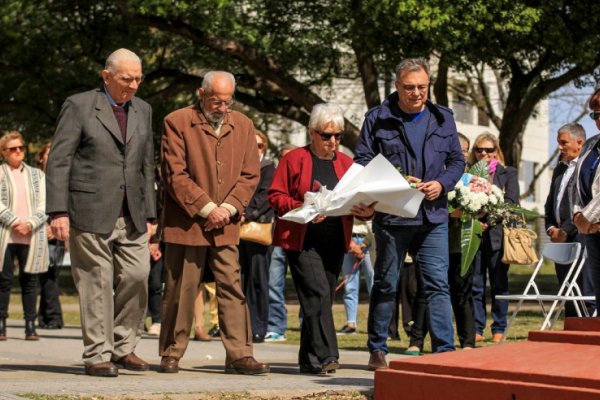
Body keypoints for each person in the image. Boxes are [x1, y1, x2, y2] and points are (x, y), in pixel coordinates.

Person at [46, 48, 155, 377]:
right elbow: (59, 160)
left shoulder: (144, 110)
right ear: (106, 76)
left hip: (133, 213)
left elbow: (146, 165)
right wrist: (57, 211)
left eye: (138, 78)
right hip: (90, 210)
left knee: (138, 277)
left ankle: (124, 347)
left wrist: (151, 214)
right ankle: (97, 354)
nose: (133, 85)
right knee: (97, 282)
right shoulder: (79, 105)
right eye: (126, 78)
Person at [354, 57, 464, 370]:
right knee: (386, 283)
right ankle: (377, 348)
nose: (416, 93)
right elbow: (363, 162)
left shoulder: (444, 117)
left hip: (432, 217)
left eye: (422, 87)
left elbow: (457, 161)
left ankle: (445, 352)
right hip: (392, 215)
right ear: (397, 86)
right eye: (409, 87)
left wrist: (441, 184)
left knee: (437, 284)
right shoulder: (377, 118)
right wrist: (384, 189)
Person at [159, 70, 269, 375]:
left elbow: (250, 175)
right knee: (181, 287)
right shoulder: (177, 121)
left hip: (227, 224)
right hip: (187, 223)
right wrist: (208, 209)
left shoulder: (244, 124)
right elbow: (174, 175)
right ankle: (172, 352)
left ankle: (240, 354)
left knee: (232, 287)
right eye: (215, 101)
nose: (221, 107)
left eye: (227, 101)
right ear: (201, 94)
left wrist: (229, 208)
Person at [269, 103, 376, 375]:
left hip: (334, 241)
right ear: (312, 133)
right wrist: (303, 206)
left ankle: (308, 360)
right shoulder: (294, 159)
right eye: (326, 135)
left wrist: (368, 210)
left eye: (338, 136)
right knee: (317, 293)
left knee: (321, 299)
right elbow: (275, 196)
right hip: (302, 239)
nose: (333, 142)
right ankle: (328, 355)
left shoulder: (347, 164)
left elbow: (361, 200)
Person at [468, 132, 519, 343]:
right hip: (474, 234)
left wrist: (490, 219)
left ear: (496, 151)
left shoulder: (508, 172)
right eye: (479, 149)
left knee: (499, 283)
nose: (484, 153)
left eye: (489, 150)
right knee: (476, 284)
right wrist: (474, 221)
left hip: (498, 234)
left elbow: (511, 202)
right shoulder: (467, 173)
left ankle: (499, 327)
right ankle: (477, 327)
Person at [0, 131, 48, 341]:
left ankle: (30, 324)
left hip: (31, 235)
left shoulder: (37, 175)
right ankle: (1, 323)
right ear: (3, 153)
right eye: (13, 149)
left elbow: (44, 203)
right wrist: (13, 221)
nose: (18, 151)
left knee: (30, 281)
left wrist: (29, 224)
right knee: (4, 281)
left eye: (21, 148)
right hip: (6, 236)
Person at [545, 123, 595, 317]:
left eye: (563, 142)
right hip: (559, 239)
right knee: (567, 291)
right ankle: (570, 333)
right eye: (558, 142)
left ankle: (589, 332)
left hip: (580, 236)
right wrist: (551, 229)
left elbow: (584, 204)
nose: (559, 147)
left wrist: (565, 230)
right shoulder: (559, 170)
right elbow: (550, 204)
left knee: (584, 290)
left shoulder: (587, 169)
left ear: (579, 142)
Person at [240, 130, 275, 343]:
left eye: (260, 145)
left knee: (258, 279)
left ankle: (259, 326)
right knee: (240, 278)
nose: (256, 149)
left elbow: (266, 196)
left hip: (257, 228)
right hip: (238, 228)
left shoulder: (269, 167)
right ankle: (241, 325)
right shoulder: (239, 166)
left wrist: (247, 213)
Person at [265, 143, 298, 343]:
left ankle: (308, 324)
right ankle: (276, 326)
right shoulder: (275, 180)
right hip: (279, 237)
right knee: (273, 283)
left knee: (305, 285)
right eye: (284, 158)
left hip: (302, 237)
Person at [572, 86, 600, 311]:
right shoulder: (590, 145)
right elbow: (577, 183)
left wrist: (587, 217)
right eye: (595, 114)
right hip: (592, 229)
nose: (598, 119)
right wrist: (577, 214)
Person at [447, 132, 476, 349]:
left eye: (464, 150)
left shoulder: (473, 181)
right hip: (438, 242)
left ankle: (468, 340)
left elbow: (482, 208)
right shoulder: (439, 176)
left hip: (463, 244)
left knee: (463, 293)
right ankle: (422, 339)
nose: (460, 153)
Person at [36, 142, 64, 330]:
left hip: (54, 236)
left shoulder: (62, 182)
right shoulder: (36, 180)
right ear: (42, 158)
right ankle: (42, 316)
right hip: (34, 231)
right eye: (48, 154)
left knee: (50, 276)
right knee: (36, 277)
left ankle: (53, 317)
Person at [337, 219, 374, 335]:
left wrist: (365, 243)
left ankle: (375, 324)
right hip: (349, 239)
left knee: (373, 285)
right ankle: (351, 323)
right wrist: (351, 243)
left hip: (370, 240)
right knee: (349, 286)